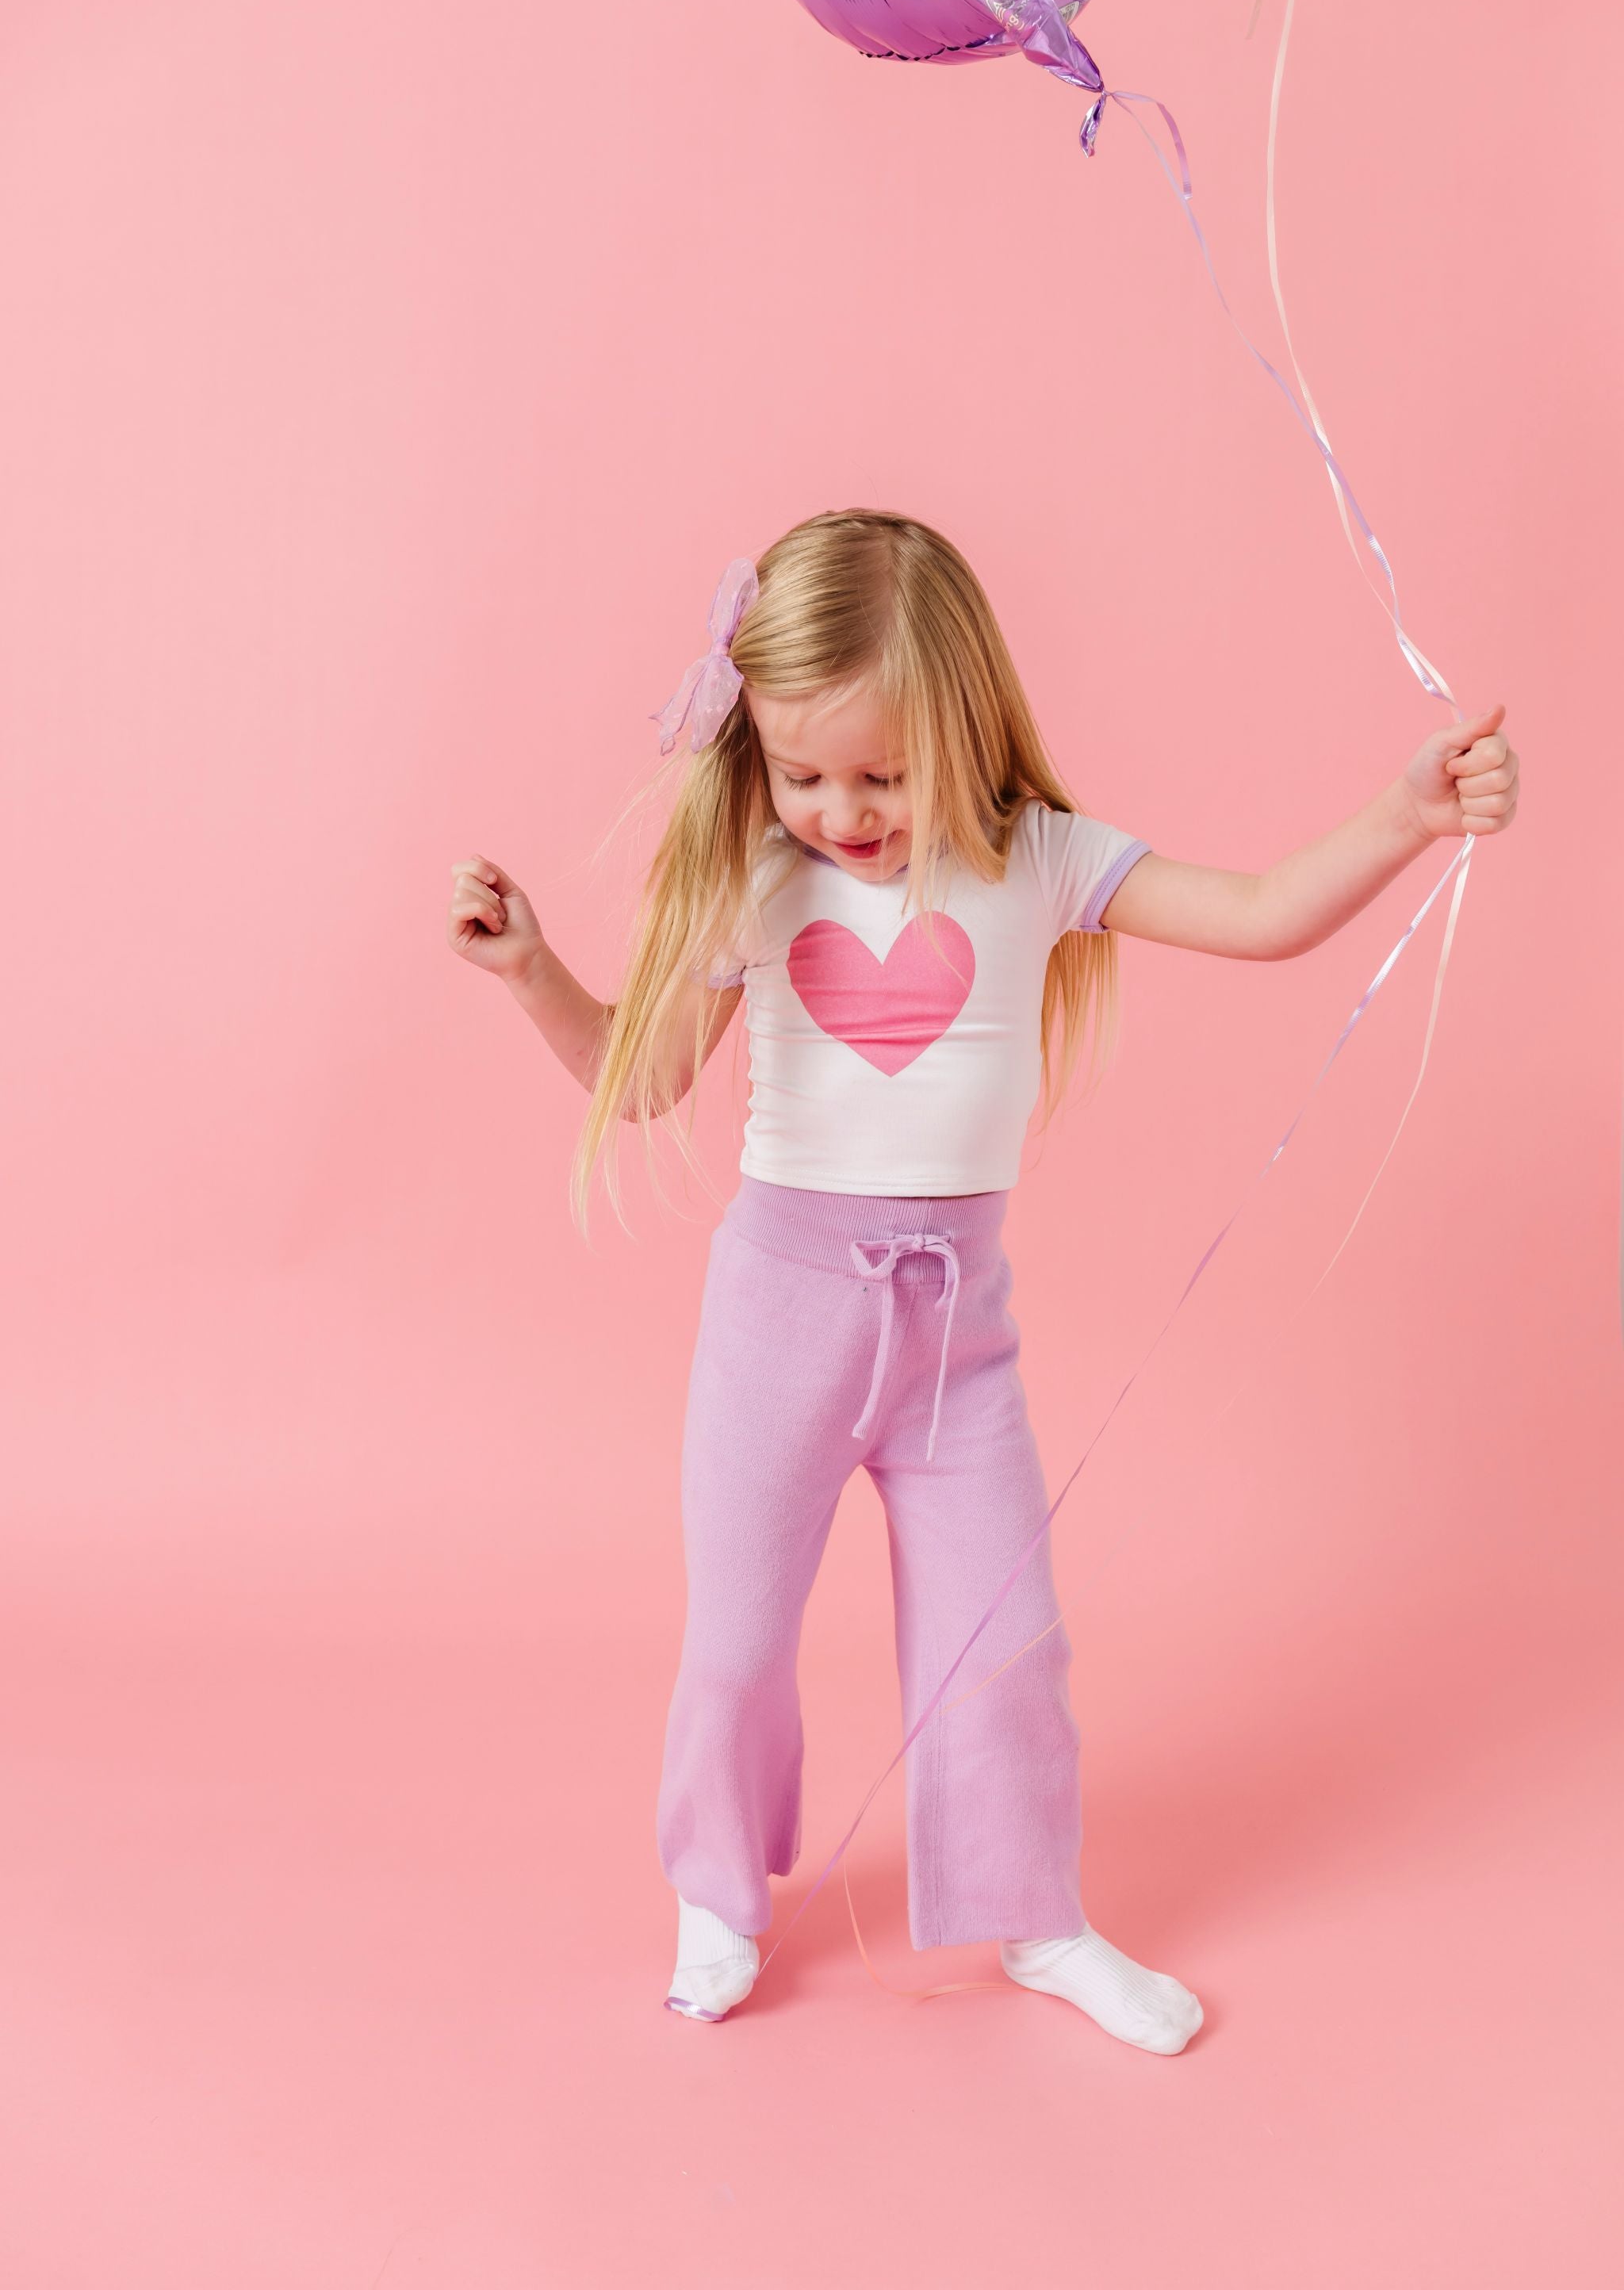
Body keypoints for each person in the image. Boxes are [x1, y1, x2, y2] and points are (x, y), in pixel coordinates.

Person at [445, 507, 1519, 2053]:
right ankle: (714, 1893)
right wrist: (530, 969)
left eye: (880, 773)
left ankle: (1035, 1921)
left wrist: (1405, 815)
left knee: (998, 1639)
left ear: (962, 722)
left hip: (959, 1334)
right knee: (737, 1634)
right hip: (780, 1320)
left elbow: (1263, 914)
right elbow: (646, 1073)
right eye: (802, 773)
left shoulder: (1039, 860)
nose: (841, 811)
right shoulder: (760, 878)